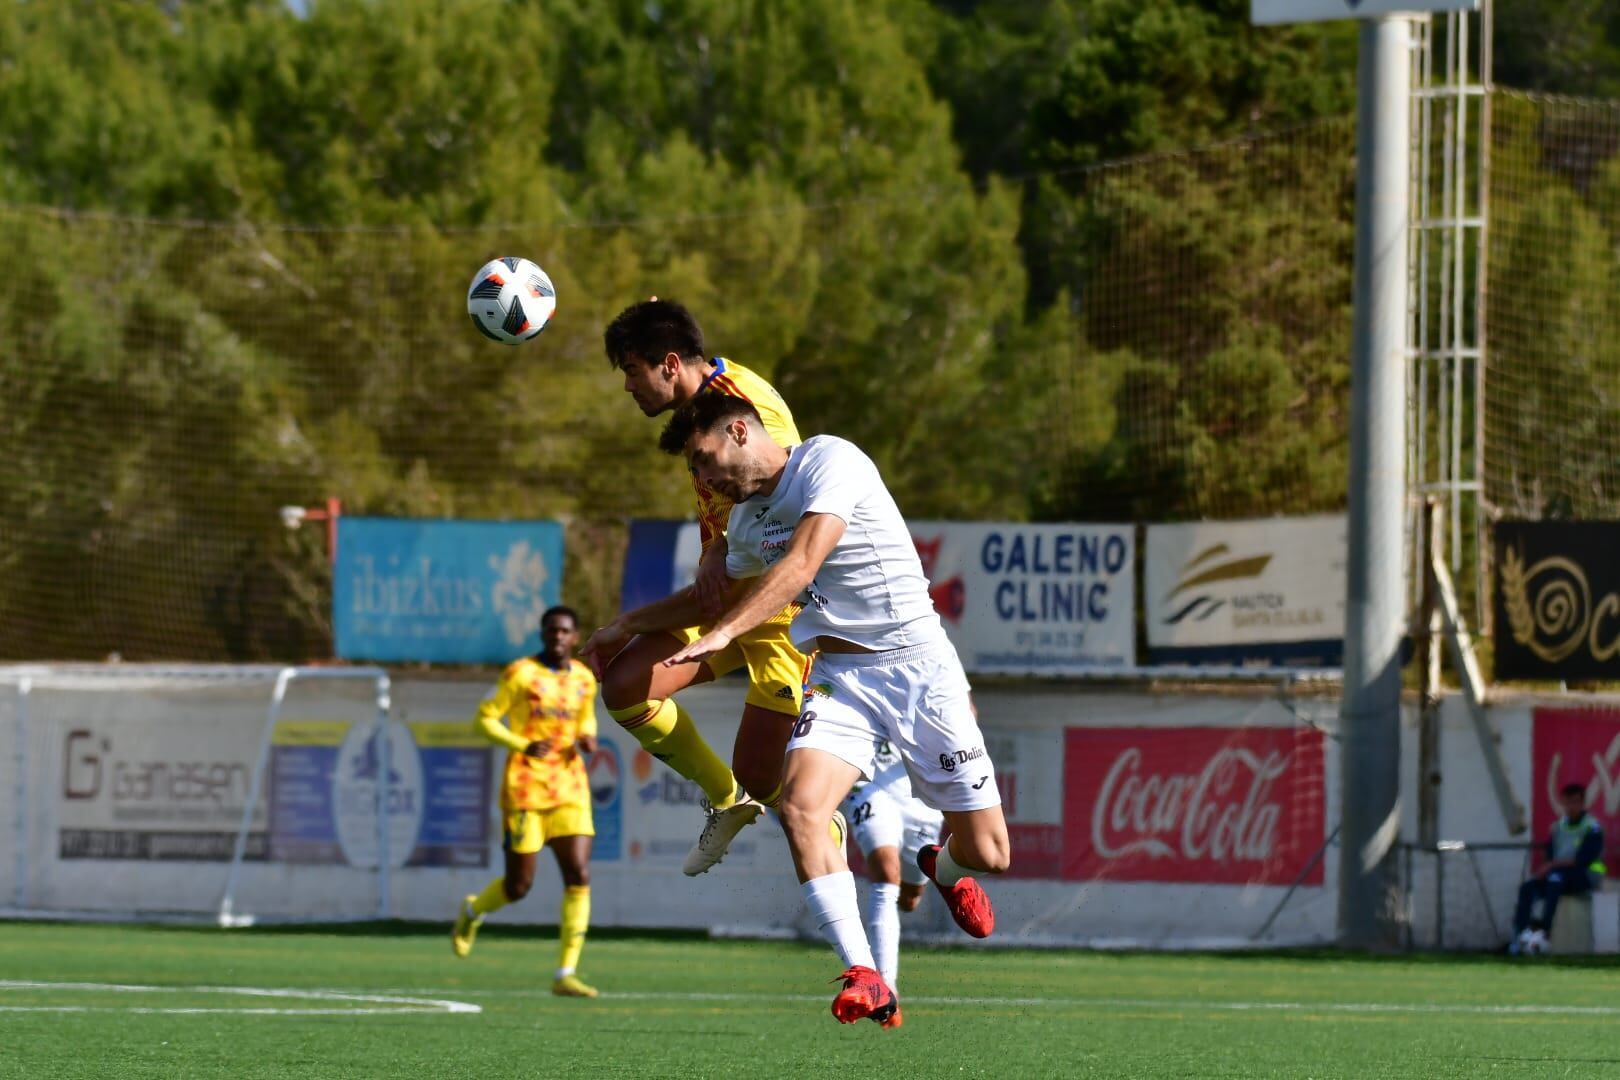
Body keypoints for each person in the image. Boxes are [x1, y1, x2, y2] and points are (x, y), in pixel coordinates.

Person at [602, 391, 1011, 1028]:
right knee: (798, 807)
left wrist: (724, 633)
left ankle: (943, 865)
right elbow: (712, 602)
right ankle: (865, 973)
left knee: (989, 853)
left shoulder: (830, 461)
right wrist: (628, 623)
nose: (704, 479)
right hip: (842, 675)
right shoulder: (745, 523)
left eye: (705, 460)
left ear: (740, 430)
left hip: (919, 669)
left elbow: (800, 563)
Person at [584, 298, 820, 875]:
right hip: (726, 596)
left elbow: (789, 501)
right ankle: (727, 799)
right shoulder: (697, 411)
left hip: (778, 606)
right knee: (626, 687)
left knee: (773, 782)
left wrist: (720, 547)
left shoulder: (749, 405)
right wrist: (717, 548)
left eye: (631, 371)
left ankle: (833, 831)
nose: (627, 387)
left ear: (668, 364)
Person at [451, 605, 601, 998]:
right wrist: (523, 743)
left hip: (570, 786)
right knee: (519, 886)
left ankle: (565, 972)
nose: (557, 636)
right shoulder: (521, 674)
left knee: (579, 874)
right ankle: (472, 911)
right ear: (542, 634)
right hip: (526, 788)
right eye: (551, 630)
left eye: (565, 631)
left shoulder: (585, 679)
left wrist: (587, 736)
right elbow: (484, 719)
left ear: (575, 636)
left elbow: (587, 719)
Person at [839, 736, 945, 991]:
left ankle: (899, 901)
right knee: (886, 875)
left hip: (918, 798)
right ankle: (885, 988)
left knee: (910, 898)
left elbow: (964, 710)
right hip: (868, 786)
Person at [1511, 782, 1606, 954]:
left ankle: (1544, 933)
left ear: (1583, 803)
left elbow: (1582, 860)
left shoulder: (1592, 827)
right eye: (1568, 802)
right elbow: (1549, 855)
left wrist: (1551, 866)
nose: (1571, 807)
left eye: (1575, 802)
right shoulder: (1558, 827)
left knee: (1555, 880)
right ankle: (1520, 936)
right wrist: (1547, 867)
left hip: (1584, 876)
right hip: (1558, 874)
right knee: (1528, 888)